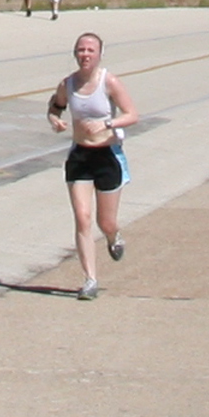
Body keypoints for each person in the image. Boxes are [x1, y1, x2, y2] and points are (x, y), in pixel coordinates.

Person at [46, 32, 138, 301]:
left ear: (99, 55)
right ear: (75, 54)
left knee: (104, 221)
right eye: (81, 50)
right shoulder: (68, 84)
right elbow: (55, 107)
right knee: (82, 218)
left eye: (90, 50)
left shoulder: (109, 81)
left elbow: (132, 115)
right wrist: (55, 120)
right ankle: (90, 279)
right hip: (80, 157)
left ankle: (113, 236)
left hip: (107, 155)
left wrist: (108, 124)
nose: (85, 54)